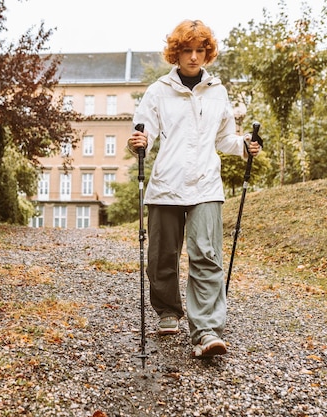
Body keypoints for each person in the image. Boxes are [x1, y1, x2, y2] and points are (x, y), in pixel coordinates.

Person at [127, 19, 261, 358]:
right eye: (187, 50)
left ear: (207, 53)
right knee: (161, 258)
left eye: (200, 50)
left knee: (207, 256)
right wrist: (139, 141)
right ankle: (168, 310)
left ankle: (205, 331)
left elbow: (225, 138)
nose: (194, 57)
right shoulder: (158, 90)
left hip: (205, 185)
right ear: (176, 52)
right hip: (166, 184)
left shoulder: (217, 91)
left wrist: (244, 145)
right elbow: (145, 132)